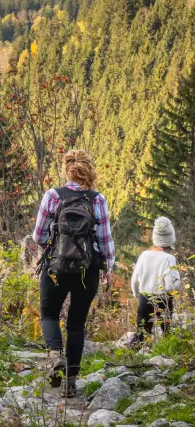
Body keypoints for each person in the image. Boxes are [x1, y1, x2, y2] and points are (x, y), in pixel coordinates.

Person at [33, 150, 115, 397]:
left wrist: (56, 246)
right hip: (86, 270)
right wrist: (108, 267)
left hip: (55, 267)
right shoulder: (97, 199)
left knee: (49, 314)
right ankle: (70, 384)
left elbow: (39, 236)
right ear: (89, 170)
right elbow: (104, 240)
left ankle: (55, 355)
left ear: (66, 169)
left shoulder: (53, 195)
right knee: (76, 324)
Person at [131, 216, 180, 344]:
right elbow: (171, 286)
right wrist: (176, 287)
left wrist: (138, 295)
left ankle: (130, 354)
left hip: (144, 297)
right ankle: (168, 355)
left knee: (142, 332)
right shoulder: (169, 258)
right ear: (171, 238)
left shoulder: (144, 255)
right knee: (166, 331)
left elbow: (135, 280)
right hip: (163, 299)